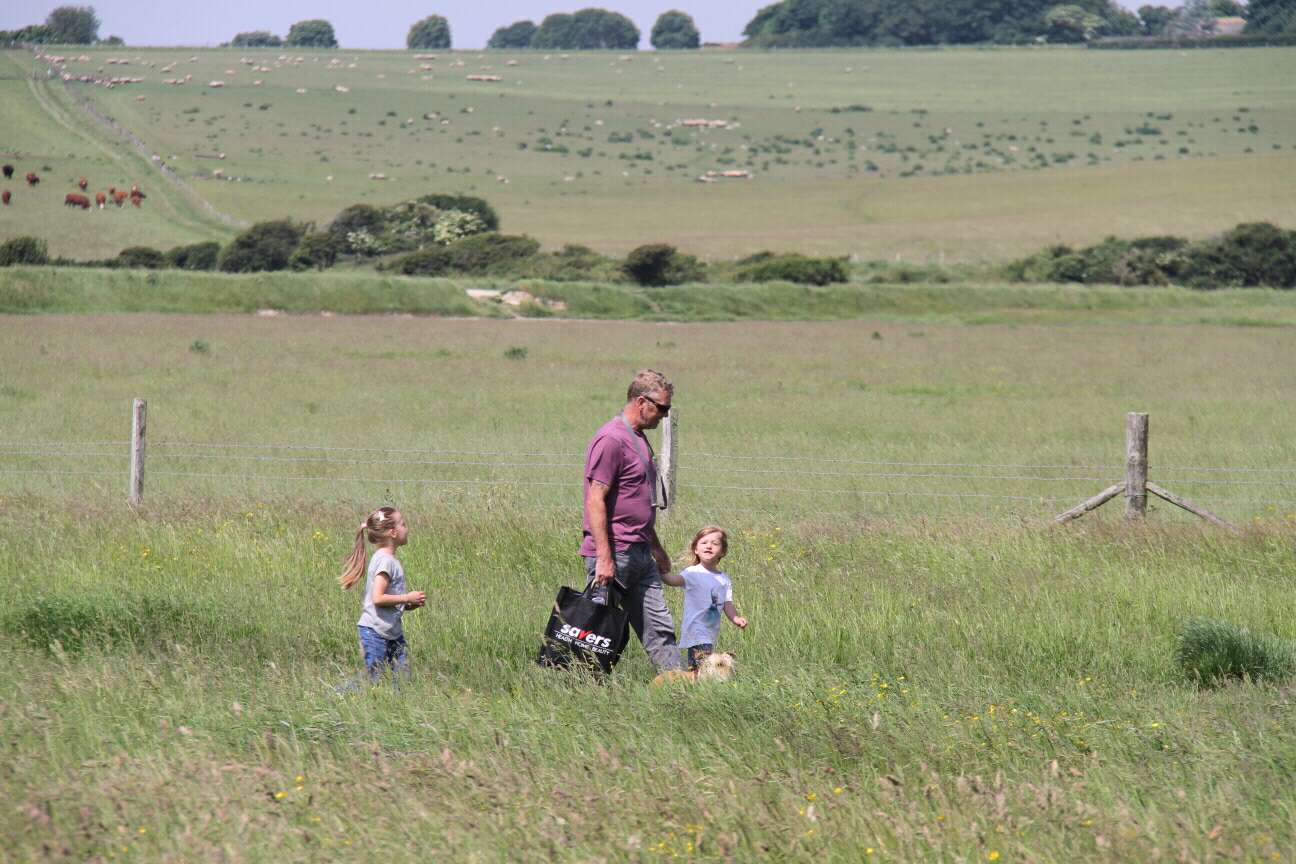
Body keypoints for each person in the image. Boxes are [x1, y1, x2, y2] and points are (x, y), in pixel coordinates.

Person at [581, 369, 684, 673]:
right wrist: (604, 558)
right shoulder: (611, 439)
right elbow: (595, 499)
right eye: (662, 407)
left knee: (660, 627)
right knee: (597, 632)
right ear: (641, 402)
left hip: (640, 552)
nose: (664, 415)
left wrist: (656, 548)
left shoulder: (637, 438)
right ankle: (584, 686)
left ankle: (677, 686)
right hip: (615, 553)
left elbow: (636, 504)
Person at [339, 506, 425, 681]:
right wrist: (407, 597)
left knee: (403, 678)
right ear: (393, 532)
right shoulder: (386, 561)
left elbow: (388, 600)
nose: (407, 528)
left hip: (392, 632)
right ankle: (340, 694)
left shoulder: (386, 559)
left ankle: (399, 700)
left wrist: (408, 605)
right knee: (372, 679)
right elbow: (378, 598)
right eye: (403, 524)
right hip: (375, 632)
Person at [663, 525, 748, 669]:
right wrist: (661, 572)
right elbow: (674, 580)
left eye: (715, 543)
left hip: (710, 632)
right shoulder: (692, 572)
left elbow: (727, 603)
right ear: (696, 549)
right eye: (704, 542)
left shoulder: (724, 579)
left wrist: (736, 618)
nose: (709, 546)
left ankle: (691, 680)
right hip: (696, 631)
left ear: (723, 551)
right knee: (705, 667)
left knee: (699, 669)